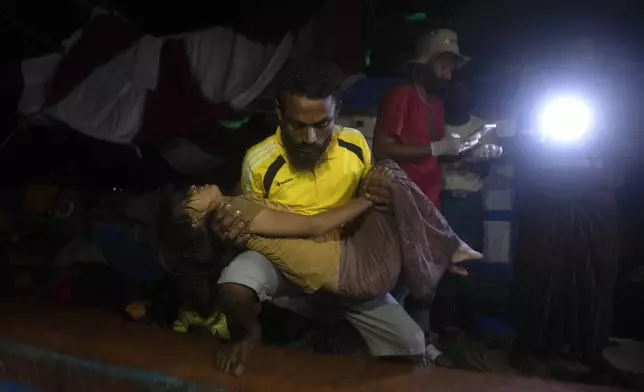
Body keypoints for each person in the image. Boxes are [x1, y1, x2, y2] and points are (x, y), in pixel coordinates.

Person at [207, 59, 430, 376]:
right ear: (280, 113)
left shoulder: (355, 146)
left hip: (343, 262)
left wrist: (384, 191)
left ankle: (334, 324)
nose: (310, 138)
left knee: (411, 344)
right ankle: (249, 334)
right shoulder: (258, 161)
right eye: (297, 125)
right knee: (234, 286)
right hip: (283, 262)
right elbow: (250, 227)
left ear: (336, 112)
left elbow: (370, 210)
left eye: (322, 124)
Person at [511, 34, 623, 378]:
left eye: (589, 54)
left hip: (592, 193)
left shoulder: (611, 93)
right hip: (549, 190)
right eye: (576, 55)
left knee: (595, 268)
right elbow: (524, 137)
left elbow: (620, 146)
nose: (583, 61)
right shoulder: (540, 88)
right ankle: (532, 345)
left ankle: (590, 348)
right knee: (542, 269)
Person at [372, 29, 470, 364]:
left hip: (430, 201)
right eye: (444, 64)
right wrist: (434, 147)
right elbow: (383, 147)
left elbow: (433, 153)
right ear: (425, 63)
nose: (449, 72)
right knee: (400, 277)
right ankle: (393, 344)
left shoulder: (437, 103)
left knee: (427, 277)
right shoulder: (402, 95)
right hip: (402, 200)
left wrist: (463, 153)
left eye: (452, 66)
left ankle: (421, 341)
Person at [434, 69, 503, 335]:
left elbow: (484, 168)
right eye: (455, 92)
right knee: (440, 262)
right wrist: (463, 157)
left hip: (471, 202)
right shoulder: (436, 125)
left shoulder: (483, 127)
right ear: (448, 96)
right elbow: (431, 158)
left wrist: (455, 157)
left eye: (465, 92)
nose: (460, 97)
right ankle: (442, 323)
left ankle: (469, 322)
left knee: (470, 262)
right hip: (443, 201)